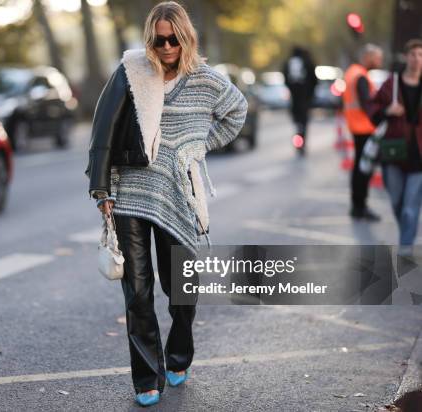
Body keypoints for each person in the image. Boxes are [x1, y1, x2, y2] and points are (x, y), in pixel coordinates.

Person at [84, 1, 247, 406]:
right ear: (150, 39)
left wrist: (200, 145)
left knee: (182, 290)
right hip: (130, 194)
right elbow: (103, 127)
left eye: (174, 39)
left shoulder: (207, 80)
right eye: (159, 40)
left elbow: (237, 112)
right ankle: (146, 378)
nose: (167, 46)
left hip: (180, 197)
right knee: (138, 293)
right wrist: (101, 189)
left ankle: (179, 354)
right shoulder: (133, 71)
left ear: (186, 37)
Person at [369, 39, 422, 256]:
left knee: (410, 206)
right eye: (413, 54)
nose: (417, 59)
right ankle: (407, 235)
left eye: (421, 55)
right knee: (397, 202)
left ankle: (406, 246)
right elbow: (372, 110)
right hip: (394, 152)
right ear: (406, 57)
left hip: (419, 154)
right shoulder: (392, 83)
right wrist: (387, 111)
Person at [344, 44, 384, 221]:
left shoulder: (352, 72)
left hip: (356, 126)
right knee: (364, 168)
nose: (379, 62)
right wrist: (381, 118)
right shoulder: (360, 76)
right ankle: (360, 206)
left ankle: (357, 205)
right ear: (368, 57)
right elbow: (366, 104)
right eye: (377, 58)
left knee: (359, 167)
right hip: (364, 127)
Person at [283, 46, 318, 155]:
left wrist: (291, 88)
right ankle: (301, 143)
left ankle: (298, 142)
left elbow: (285, 77)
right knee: (303, 123)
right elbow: (314, 80)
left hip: (294, 99)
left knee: (297, 123)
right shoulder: (307, 61)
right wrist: (310, 94)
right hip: (305, 98)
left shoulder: (288, 62)